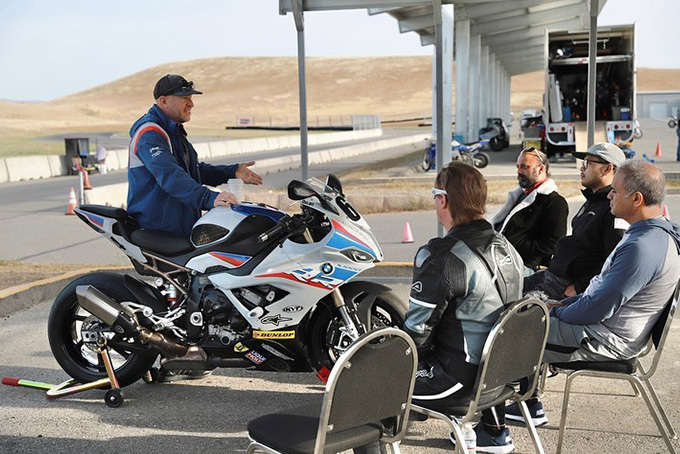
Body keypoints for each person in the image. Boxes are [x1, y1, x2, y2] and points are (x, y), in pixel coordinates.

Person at [504, 159, 680, 428]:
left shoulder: (642, 247)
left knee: (504, 333)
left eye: (616, 191)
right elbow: (600, 296)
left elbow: (597, 308)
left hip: (604, 339)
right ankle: (525, 404)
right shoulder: (656, 234)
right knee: (528, 313)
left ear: (636, 199)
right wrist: (561, 303)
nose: (610, 194)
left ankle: (490, 428)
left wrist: (557, 309)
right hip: (607, 329)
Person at [405, 162, 524, 453]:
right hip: (501, 377)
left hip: (459, 383)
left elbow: (417, 334)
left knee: (370, 383)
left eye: (435, 195)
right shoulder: (507, 247)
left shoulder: (440, 255)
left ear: (442, 199)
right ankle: (489, 431)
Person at [127, 74, 262, 238]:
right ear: (163, 101)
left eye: (190, 97)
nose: (191, 104)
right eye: (184, 98)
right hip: (158, 233)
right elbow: (171, 176)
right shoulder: (149, 133)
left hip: (178, 229)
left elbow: (194, 171)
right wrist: (209, 198)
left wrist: (232, 172)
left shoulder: (174, 131)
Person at [524, 143, 628, 300]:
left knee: (513, 314)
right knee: (505, 290)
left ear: (607, 169)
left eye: (588, 163)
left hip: (566, 285)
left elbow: (614, 262)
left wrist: (579, 287)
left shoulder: (613, 208)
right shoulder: (593, 199)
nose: (581, 168)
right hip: (553, 274)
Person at [491, 147, 568, 271]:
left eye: (524, 167)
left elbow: (552, 244)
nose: (519, 171)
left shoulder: (554, 202)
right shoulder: (520, 194)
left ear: (541, 169)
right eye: (518, 166)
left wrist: (510, 244)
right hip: (502, 259)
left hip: (524, 266)